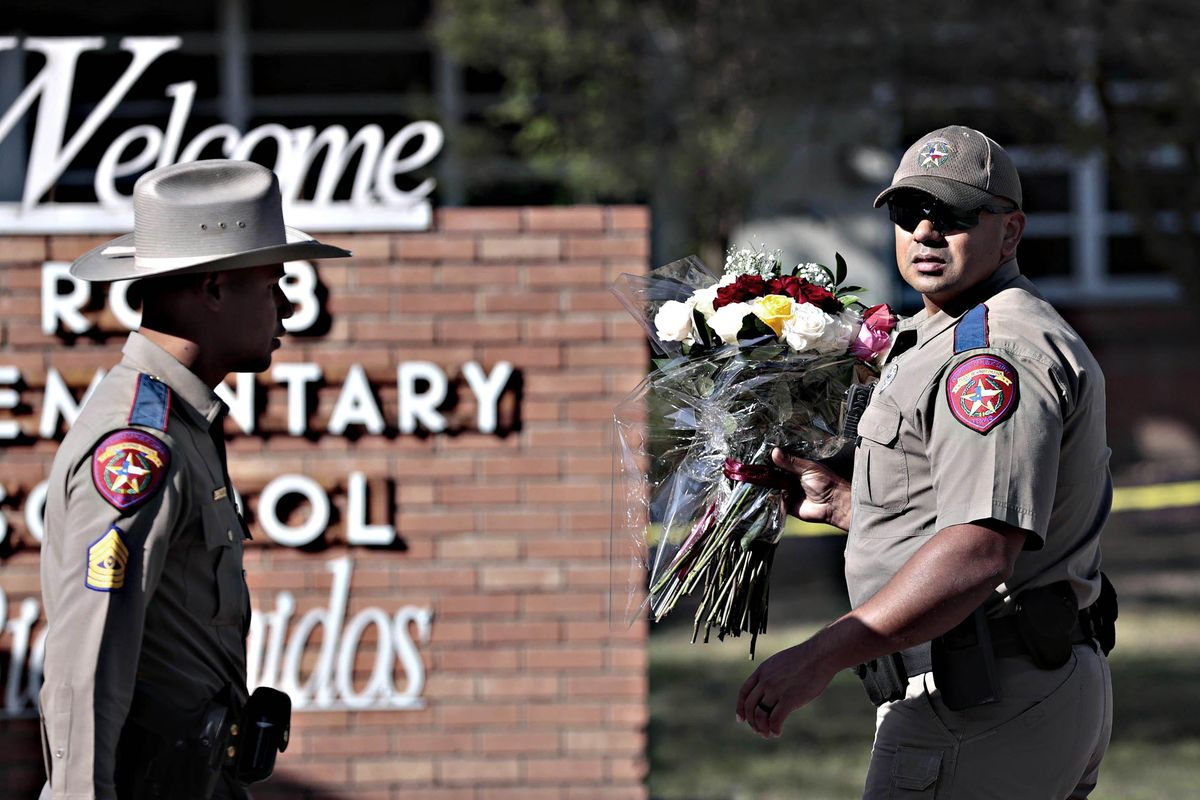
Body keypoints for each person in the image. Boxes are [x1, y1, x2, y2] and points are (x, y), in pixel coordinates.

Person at [735, 125, 1115, 799]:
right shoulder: (943, 333)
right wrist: (855, 508)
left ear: (1011, 230)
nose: (927, 232)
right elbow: (960, 507)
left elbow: (979, 550)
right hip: (997, 691)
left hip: (984, 699)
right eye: (910, 213)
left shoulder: (992, 356)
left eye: (956, 215)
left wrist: (818, 656)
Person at [38, 159, 350, 800]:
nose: (286, 308)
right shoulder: (139, 443)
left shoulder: (183, 422)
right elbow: (88, 659)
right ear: (212, 287)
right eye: (272, 285)